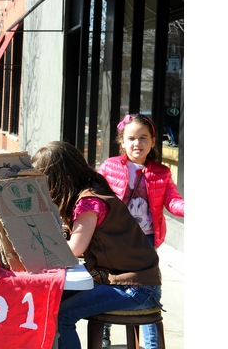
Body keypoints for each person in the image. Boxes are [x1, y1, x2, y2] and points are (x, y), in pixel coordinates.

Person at [31, 141, 162, 349]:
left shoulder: (89, 202)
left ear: (62, 178)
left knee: (64, 314)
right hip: (122, 280)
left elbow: (75, 249)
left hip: (136, 288)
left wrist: (34, 246)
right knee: (49, 297)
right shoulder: (92, 189)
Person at [97, 114, 184, 348]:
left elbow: (172, 201)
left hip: (145, 241)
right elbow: (95, 196)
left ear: (153, 142)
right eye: (131, 138)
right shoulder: (109, 166)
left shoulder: (162, 172)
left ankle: (151, 344)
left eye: (143, 138)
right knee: (109, 283)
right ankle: (104, 332)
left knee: (148, 291)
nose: (138, 143)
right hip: (113, 239)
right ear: (122, 142)